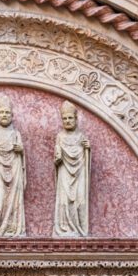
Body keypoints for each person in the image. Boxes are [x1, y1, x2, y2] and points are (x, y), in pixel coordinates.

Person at [0, 96, 26, 236]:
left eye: (7, 113)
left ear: (12, 116)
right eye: (2, 112)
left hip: (14, 171)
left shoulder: (16, 134)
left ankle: (11, 228)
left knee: (12, 200)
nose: (4, 115)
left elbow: (21, 154)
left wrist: (20, 151)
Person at [53, 101, 90, 237]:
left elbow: (86, 159)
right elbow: (57, 158)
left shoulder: (81, 137)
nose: (67, 121)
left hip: (79, 173)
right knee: (64, 200)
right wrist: (57, 158)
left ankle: (79, 227)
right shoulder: (60, 137)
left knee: (79, 200)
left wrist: (87, 149)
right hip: (64, 173)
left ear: (76, 119)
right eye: (65, 118)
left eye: (70, 118)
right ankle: (64, 228)